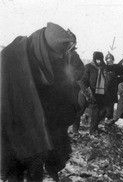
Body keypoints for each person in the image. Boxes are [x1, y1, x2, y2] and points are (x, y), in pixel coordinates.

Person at [1, 22, 84, 181]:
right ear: (46, 48)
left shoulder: (53, 59)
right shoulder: (11, 59)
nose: (60, 57)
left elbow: (61, 94)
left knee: (36, 171)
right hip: (14, 134)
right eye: (57, 53)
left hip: (40, 135)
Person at [79, 51, 123, 136]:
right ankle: (75, 130)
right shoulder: (88, 67)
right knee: (80, 111)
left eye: (100, 60)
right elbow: (82, 81)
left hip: (97, 94)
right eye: (96, 60)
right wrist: (88, 94)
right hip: (85, 93)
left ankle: (93, 130)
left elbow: (114, 73)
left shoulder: (104, 68)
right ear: (94, 59)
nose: (98, 62)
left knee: (97, 111)